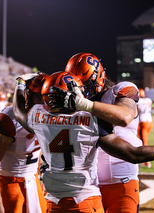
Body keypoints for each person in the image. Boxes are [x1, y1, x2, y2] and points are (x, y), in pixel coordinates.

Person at [13, 71, 154, 213]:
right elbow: (133, 154)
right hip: (86, 200)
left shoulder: (38, 116)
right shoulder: (90, 119)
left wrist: (20, 84)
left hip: (53, 202)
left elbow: (19, 110)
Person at [62, 52, 144, 212]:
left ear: (99, 76)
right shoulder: (76, 104)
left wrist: (86, 105)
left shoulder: (122, 89)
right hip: (88, 187)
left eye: (85, 84)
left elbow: (124, 116)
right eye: (78, 85)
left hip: (121, 183)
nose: (82, 89)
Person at [0, 74, 47, 213]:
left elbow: (39, 150)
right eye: (39, 98)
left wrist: (42, 179)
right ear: (27, 96)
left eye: (46, 97)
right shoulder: (10, 119)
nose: (43, 103)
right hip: (10, 181)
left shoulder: (48, 115)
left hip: (33, 179)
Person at [137, 88, 153, 168]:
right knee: (142, 141)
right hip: (149, 122)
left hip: (142, 122)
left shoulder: (138, 102)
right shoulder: (149, 100)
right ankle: (144, 160)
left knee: (144, 142)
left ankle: (147, 161)